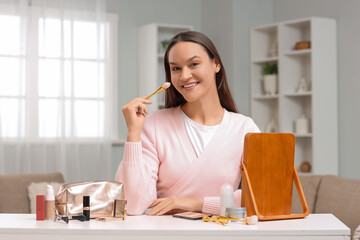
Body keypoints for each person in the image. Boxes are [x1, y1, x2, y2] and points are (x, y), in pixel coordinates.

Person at [116, 31, 260, 216]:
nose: (184, 75)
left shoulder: (245, 129)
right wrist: (133, 134)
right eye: (175, 68)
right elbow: (133, 206)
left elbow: (259, 197)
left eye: (194, 64)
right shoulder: (155, 125)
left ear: (216, 64)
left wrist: (194, 204)